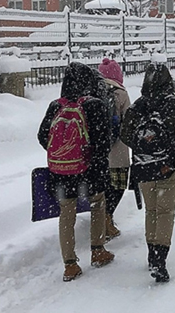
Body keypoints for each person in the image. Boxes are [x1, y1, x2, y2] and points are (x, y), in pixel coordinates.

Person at [120, 61, 175, 283]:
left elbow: (124, 134)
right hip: (169, 165)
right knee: (166, 212)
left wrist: (142, 146)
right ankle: (160, 259)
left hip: (143, 166)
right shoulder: (174, 103)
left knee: (152, 211)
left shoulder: (137, 106)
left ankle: (151, 255)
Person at [37, 62, 115, 282]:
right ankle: (98, 250)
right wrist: (90, 160)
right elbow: (103, 142)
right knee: (98, 204)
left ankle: (70, 264)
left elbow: (43, 136)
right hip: (89, 170)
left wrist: (63, 153)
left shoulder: (55, 106)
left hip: (61, 172)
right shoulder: (94, 105)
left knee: (66, 213)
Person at [97, 58, 131, 241]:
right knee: (117, 186)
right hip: (118, 151)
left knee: (102, 187)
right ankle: (107, 218)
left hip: (98, 151)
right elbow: (129, 121)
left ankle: (102, 219)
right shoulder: (121, 93)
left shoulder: (93, 92)